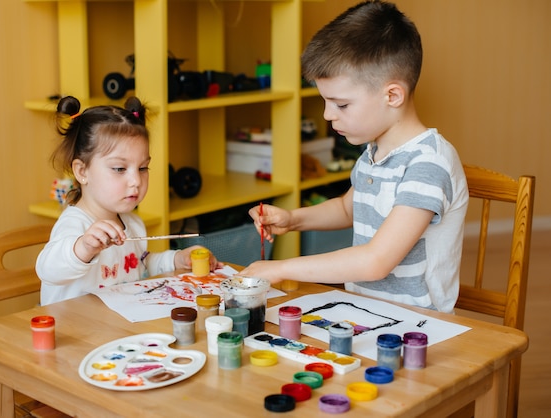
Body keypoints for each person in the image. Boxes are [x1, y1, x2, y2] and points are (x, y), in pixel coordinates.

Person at [240, 0, 469, 313]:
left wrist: (281, 268)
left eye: (341, 105)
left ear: (393, 95)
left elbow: (376, 261)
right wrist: (294, 219)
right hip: (365, 312)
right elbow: (349, 208)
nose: (327, 115)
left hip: (419, 327)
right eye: (325, 102)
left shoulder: (428, 163)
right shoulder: (374, 151)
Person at [36, 96, 222, 305]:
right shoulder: (75, 225)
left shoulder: (132, 223)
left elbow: (138, 267)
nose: (135, 181)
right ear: (82, 171)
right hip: (77, 333)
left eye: (142, 168)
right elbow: (47, 270)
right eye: (119, 169)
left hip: (119, 329)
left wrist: (176, 259)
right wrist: (83, 248)